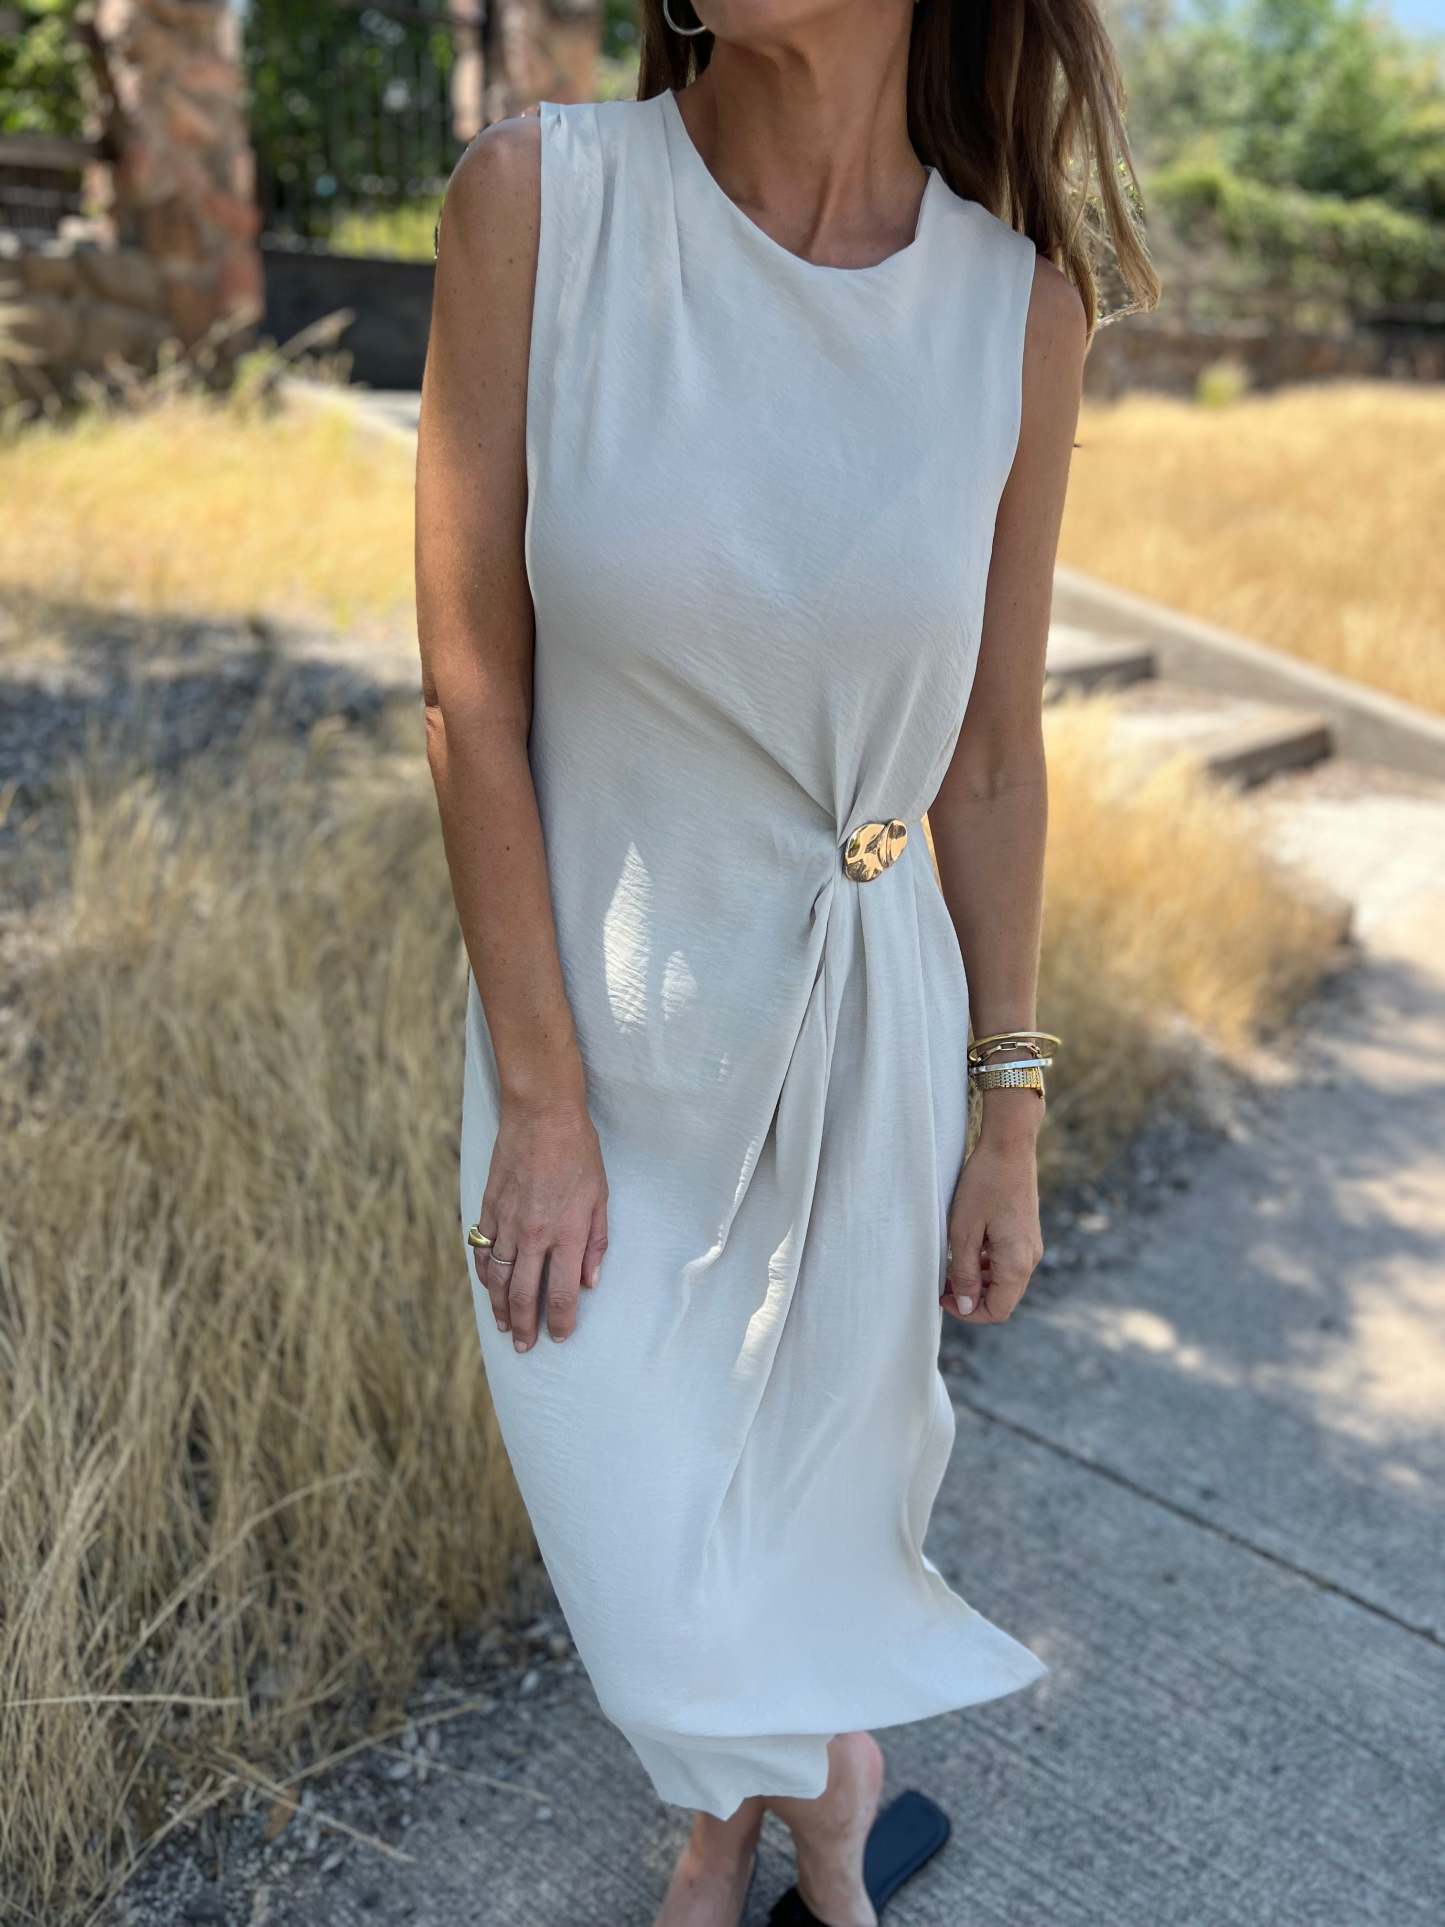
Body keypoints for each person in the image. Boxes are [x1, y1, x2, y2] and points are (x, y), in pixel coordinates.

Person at [415, 3, 1157, 1921]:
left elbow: (987, 757)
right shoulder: (540, 205)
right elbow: (472, 693)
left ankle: (733, 1837)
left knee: (796, 1510)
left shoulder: (1016, 312)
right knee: (645, 1561)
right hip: (595, 1050)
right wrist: (544, 1102)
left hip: (865, 1038)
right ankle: (832, 1791)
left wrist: (1007, 1117)